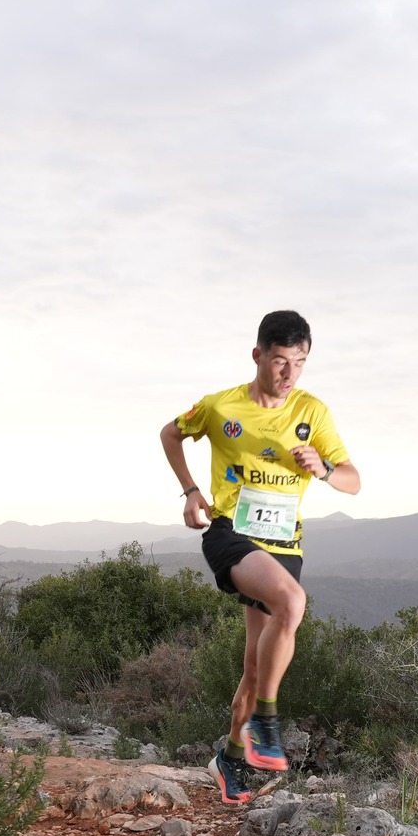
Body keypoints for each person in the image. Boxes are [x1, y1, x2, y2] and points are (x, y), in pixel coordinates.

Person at [160, 310, 360, 804]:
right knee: (292, 602)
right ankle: (266, 725)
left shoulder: (313, 413)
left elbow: (353, 480)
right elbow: (170, 433)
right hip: (232, 532)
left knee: (254, 666)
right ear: (258, 355)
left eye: (300, 362)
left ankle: (230, 758)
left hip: (284, 546)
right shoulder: (220, 406)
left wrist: (325, 468)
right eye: (280, 361)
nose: (290, 373)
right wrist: (190, 491)